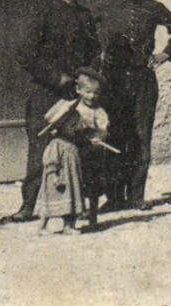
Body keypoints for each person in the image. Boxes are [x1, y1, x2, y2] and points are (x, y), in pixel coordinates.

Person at [10, 0, 101, 222]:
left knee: (78, 147)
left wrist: (86, 80)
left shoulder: (84, 16)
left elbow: (94, 52)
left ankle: (76, 206)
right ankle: (29, 206)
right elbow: (24, 53)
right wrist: (54, 77)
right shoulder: (43, 12)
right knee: (40, 147)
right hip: (45, 93)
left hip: (77, 94)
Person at [96, 0, 171, 211]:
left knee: (141, 136)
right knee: (114, 134)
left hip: (143, 80)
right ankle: (114, 197)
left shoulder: (152, 7)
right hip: (113, 80)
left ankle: (136, 195)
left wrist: (165, 54)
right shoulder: (104, 7)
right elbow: (88, 33)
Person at [35, 66, 118, 234]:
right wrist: (57, 124)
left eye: (96, 93)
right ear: (79, 90)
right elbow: (52, 120)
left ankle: (91, 217)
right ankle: (52, 223)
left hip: (87, 153)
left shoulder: (99, 112)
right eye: (88, 92)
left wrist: (96, 137)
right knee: (64, 185)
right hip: (69, 150)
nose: (92, 96)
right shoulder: (69, 106)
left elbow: (102, 130)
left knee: (90, 184)